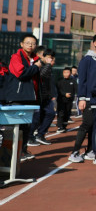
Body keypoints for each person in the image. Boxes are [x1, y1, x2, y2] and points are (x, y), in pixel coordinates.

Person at [68, 32, 96, 163]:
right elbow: (83, 80)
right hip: (87, 98)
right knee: (87, 123)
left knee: (95, 125)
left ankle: (90, 150)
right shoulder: (87, 60)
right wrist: (81, 98)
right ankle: (74, 152)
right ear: (95, 43)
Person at [4, 33, 43, 161]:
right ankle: (8, 154)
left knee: (26, 126)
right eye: (28, 43)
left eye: (33, 43)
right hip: (17, 97)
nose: (31, 45)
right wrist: (36, 67)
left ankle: (22, 151)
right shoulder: (16, 57)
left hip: (30, 98)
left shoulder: (35, 59)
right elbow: (20, 74)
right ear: (21, 44)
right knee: (15, 127)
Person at [29, 48, 57, 147]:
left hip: (46, 97)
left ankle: (40, 134)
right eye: (49, 58)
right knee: (36, 118)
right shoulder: (39, 65)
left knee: (51, 113)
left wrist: (52, 95)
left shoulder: (49, 67)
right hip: (37, 96)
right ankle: (29, 136)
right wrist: (48, 64)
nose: (51, 60)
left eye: (52, 58)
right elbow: (41, 75)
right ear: (43, 56)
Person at [56, 67, 76, 133]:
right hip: (61, 100)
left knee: (67, 113)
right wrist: (65, 94)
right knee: (61, 113)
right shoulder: (59, 80)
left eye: (67, 72)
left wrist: (71, 96)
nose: (66, 74)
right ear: (63, 73)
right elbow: (58, 90)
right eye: (65, 72)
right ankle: (59, 126)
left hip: (69, 101)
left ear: (70, 73)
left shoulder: (73, 81)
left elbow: (75, 90)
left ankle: (64, 126)